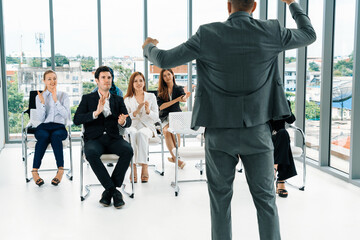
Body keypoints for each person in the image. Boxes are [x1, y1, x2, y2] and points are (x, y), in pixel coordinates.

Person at [142, 0, 316, 239]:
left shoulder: (207, 34)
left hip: (219, 133)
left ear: (228, 6)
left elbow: (163, 60)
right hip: (258, 131)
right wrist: (292, 3)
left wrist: (148, 46)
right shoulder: (271, 31)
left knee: (220, 203)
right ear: (254, 6)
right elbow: (309, 33)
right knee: (266, 201)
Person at [73, 66, 133, 209]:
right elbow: (76, 119)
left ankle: (108, 191)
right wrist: (95, 113)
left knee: (128, 150)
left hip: (113, 137)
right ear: (97, 81)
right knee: (91, 153)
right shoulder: (88, 98)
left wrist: (123, 122)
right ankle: (114, 192)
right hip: (94, 139)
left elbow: (128, 120)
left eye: (109, 78)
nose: (107, 80)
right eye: (103, 78)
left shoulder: (118, 99)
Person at [31, 70, 70, 187]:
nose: (52, 81)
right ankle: (34, 171)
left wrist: (56, 100)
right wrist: (42, 103)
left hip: (59, 127)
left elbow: (66, 116)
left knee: (55, 136)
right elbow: (40, 119)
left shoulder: (64, 95)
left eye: (54, 78)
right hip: (44, 126)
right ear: (44, 81)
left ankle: (60, 170)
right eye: (49, 79)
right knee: (44, 136)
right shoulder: (39, 97)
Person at [124, 72, 159, 183]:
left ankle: (144, 165)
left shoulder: (151, 96)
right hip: (132, 126)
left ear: (144, 82)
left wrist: (148, 111)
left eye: (141, 80)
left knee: (142, 134)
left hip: (147, 127)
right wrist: (136, 112)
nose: (139, 83)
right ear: (132, 84)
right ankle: (133, 166)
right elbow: (125, 117)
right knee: (132, 133)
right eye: (135, 81)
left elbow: (156, 117)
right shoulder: (127, 99)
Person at [157, 68, 191, 169]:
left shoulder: (178, 88)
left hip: (176, 116)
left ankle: (175, 158)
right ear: (162, 78)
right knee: (167, 132)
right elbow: (161, 107)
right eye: (164, 76)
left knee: (175, 131)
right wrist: (176, 100)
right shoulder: (160, 91)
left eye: (169, 74)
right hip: (165, 116)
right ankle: (177, 159)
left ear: (172, 75)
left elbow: (183, 99)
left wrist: (185, 98)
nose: (167, 77)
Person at [270, 100, 297, 198]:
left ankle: (273, 168)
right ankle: (281, 180)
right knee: (284, 146)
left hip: (280, 137)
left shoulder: (284, 102)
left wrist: (284, 109)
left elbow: (291, 120)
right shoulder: (261, 100)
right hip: (264, 137)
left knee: (283, 134)